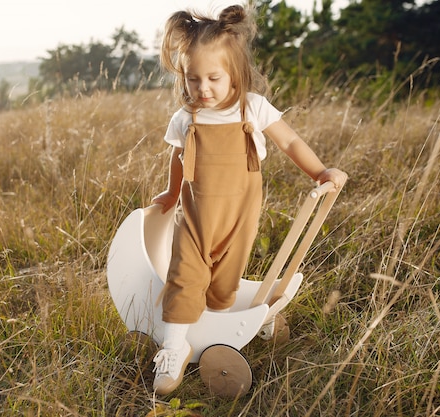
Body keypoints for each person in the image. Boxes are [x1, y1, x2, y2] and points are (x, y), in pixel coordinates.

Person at [150, 4, 348, 395]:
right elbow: (178, 156)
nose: (202, 88)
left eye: (213, 78)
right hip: (193, 217)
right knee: (184, 275)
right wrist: (173, 192)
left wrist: (321, 172)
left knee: (224, 285)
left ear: (235, 75)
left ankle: (226, 329)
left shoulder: (252, 109)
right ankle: (174, 347)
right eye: (193, 79)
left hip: (239, 218)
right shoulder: (186, 117)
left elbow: (289, 140)